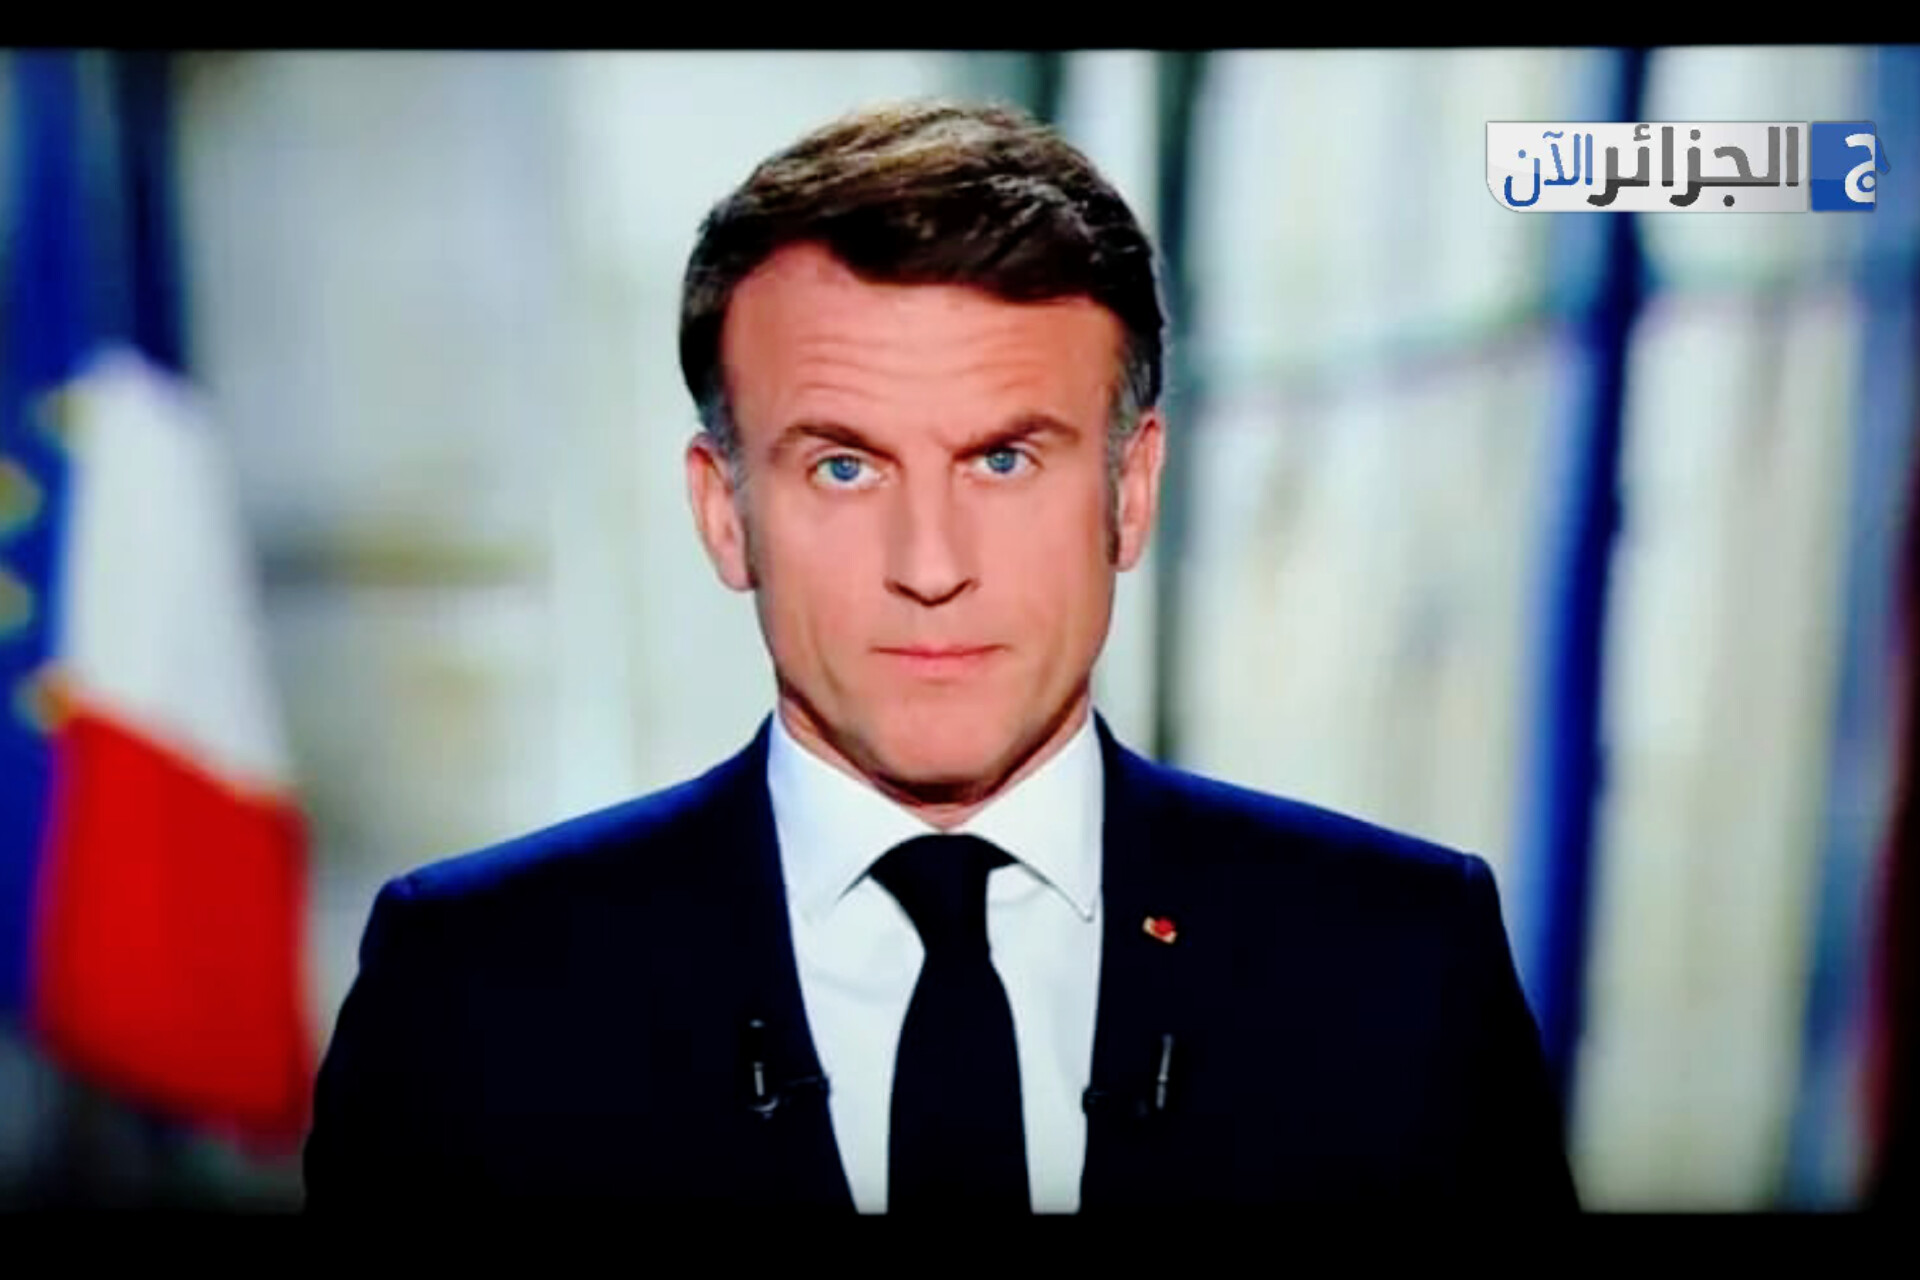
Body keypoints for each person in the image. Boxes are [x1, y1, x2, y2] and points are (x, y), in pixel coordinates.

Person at [304, 99, 1579, 1211]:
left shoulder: (1400, 967)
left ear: (1132, 491)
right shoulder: (473, 993)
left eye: (1004, 459)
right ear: (723, 511)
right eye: (844, 467)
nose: (930, 562)